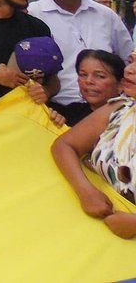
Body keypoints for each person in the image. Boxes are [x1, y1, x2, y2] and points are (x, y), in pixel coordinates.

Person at [34, 0, 134, 125]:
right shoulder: (33, 16)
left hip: (110, 111)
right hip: (58, 115)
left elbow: (129, 59)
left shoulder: (105, 15)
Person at [51, 61, 136, 239]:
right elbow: (65, 145)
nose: (129, 70)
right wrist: (85, 191)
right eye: (131, 61)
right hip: (92, 236)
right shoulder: (119, 108)